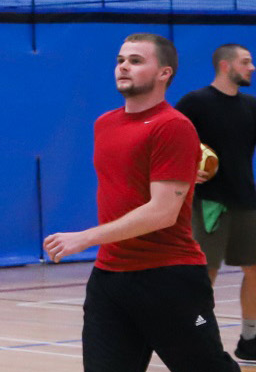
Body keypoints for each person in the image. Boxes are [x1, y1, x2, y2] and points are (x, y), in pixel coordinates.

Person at [45, 33, 238, 372]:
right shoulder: (105, 124)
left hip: (168, 279)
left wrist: (85, 237)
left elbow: (163, 212)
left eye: (136, 61)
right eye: (120, 60)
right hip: (109, 281)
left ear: (164, 72)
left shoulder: (173, 126)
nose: (123, 67)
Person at [176, 42, 256, 362]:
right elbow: (167, 139)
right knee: (204, 276)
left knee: (255, 270)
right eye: (246, 62)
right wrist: (185, 168)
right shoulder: (195, 103)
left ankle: (250, 339)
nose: (251, 67)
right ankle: (199, 337)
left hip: (247, 202)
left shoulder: (252, 106)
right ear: (226, 66)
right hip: (209, 204)